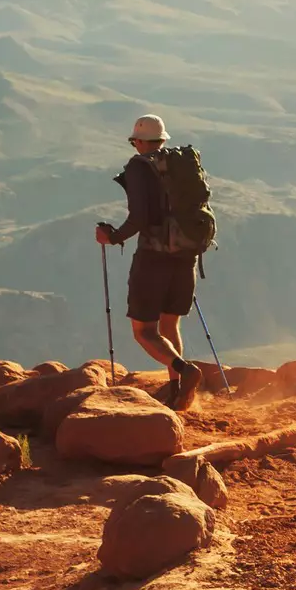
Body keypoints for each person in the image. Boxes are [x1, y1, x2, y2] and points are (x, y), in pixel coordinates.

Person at [95, 113, 203, 407]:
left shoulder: (139, 167)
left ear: (140, 141)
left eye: (134, 142)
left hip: (154, 258)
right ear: (163, 140)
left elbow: (141, 217)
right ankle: (177, 391)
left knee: (144, 332)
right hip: (185, 256)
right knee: (170, 327)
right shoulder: (180, 164)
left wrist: (113, 237)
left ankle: (184, 371)